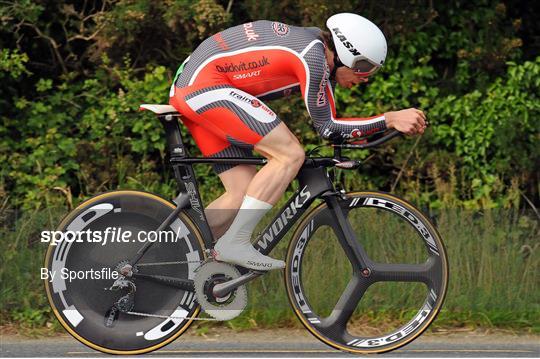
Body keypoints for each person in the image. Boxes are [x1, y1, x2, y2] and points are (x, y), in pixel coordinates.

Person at [169, 13, 426, 271]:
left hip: (194, 86)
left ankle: (168, 249)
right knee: (289, 154)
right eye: (363, 67)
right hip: (203, 85)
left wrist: (383, 124)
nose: (366, 77)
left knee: (243, 192)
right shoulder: (312, 56)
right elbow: (327, 128)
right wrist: (389, 119)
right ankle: (233, 243)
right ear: (346, 54)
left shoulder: (316, 53)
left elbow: (332, 126)